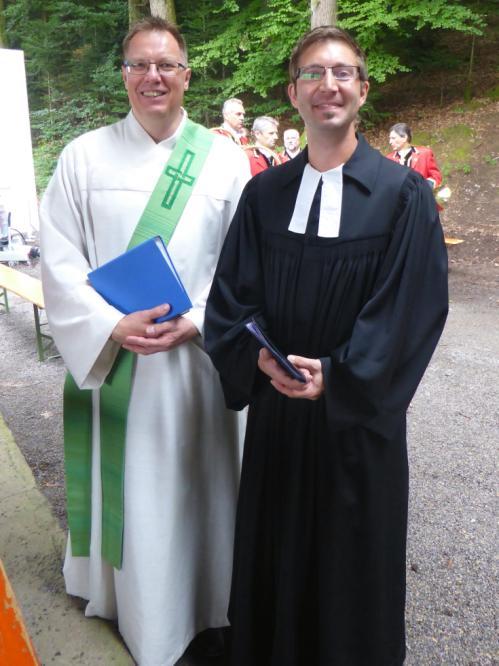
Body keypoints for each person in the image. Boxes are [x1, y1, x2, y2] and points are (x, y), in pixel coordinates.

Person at [204, 26, 448, 666]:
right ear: (293, 93)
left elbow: (411, 311)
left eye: (342, 73)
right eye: (313, 74)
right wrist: (254, 355)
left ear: (363, 90)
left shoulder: (403, 197)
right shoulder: (264, 195)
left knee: (349, 567)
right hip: (280, 420)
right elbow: (231, 297)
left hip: (355, 428)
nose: (328, 85)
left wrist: (339, 377)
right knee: (275, 551)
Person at [40, 16, 250, 666]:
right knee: (135, 497)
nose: (152, 76)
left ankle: (208, 606)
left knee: (198, 490)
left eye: (166, 65)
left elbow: (246, 262)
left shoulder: (224, 160)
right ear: (124, 75)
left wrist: (200, 317)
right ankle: (131, 607)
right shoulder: (83, 156)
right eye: (139, 65)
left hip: (198, 366)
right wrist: (109, 325)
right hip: (118, 363)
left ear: (187, 75)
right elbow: (60, 257)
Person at [386, 122, 443, 190]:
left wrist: (425, 187)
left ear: (404, 138)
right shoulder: (388, 159)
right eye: (390, 138)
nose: (390, 142)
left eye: (393, 138)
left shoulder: (425, 153)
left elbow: (436, 176)